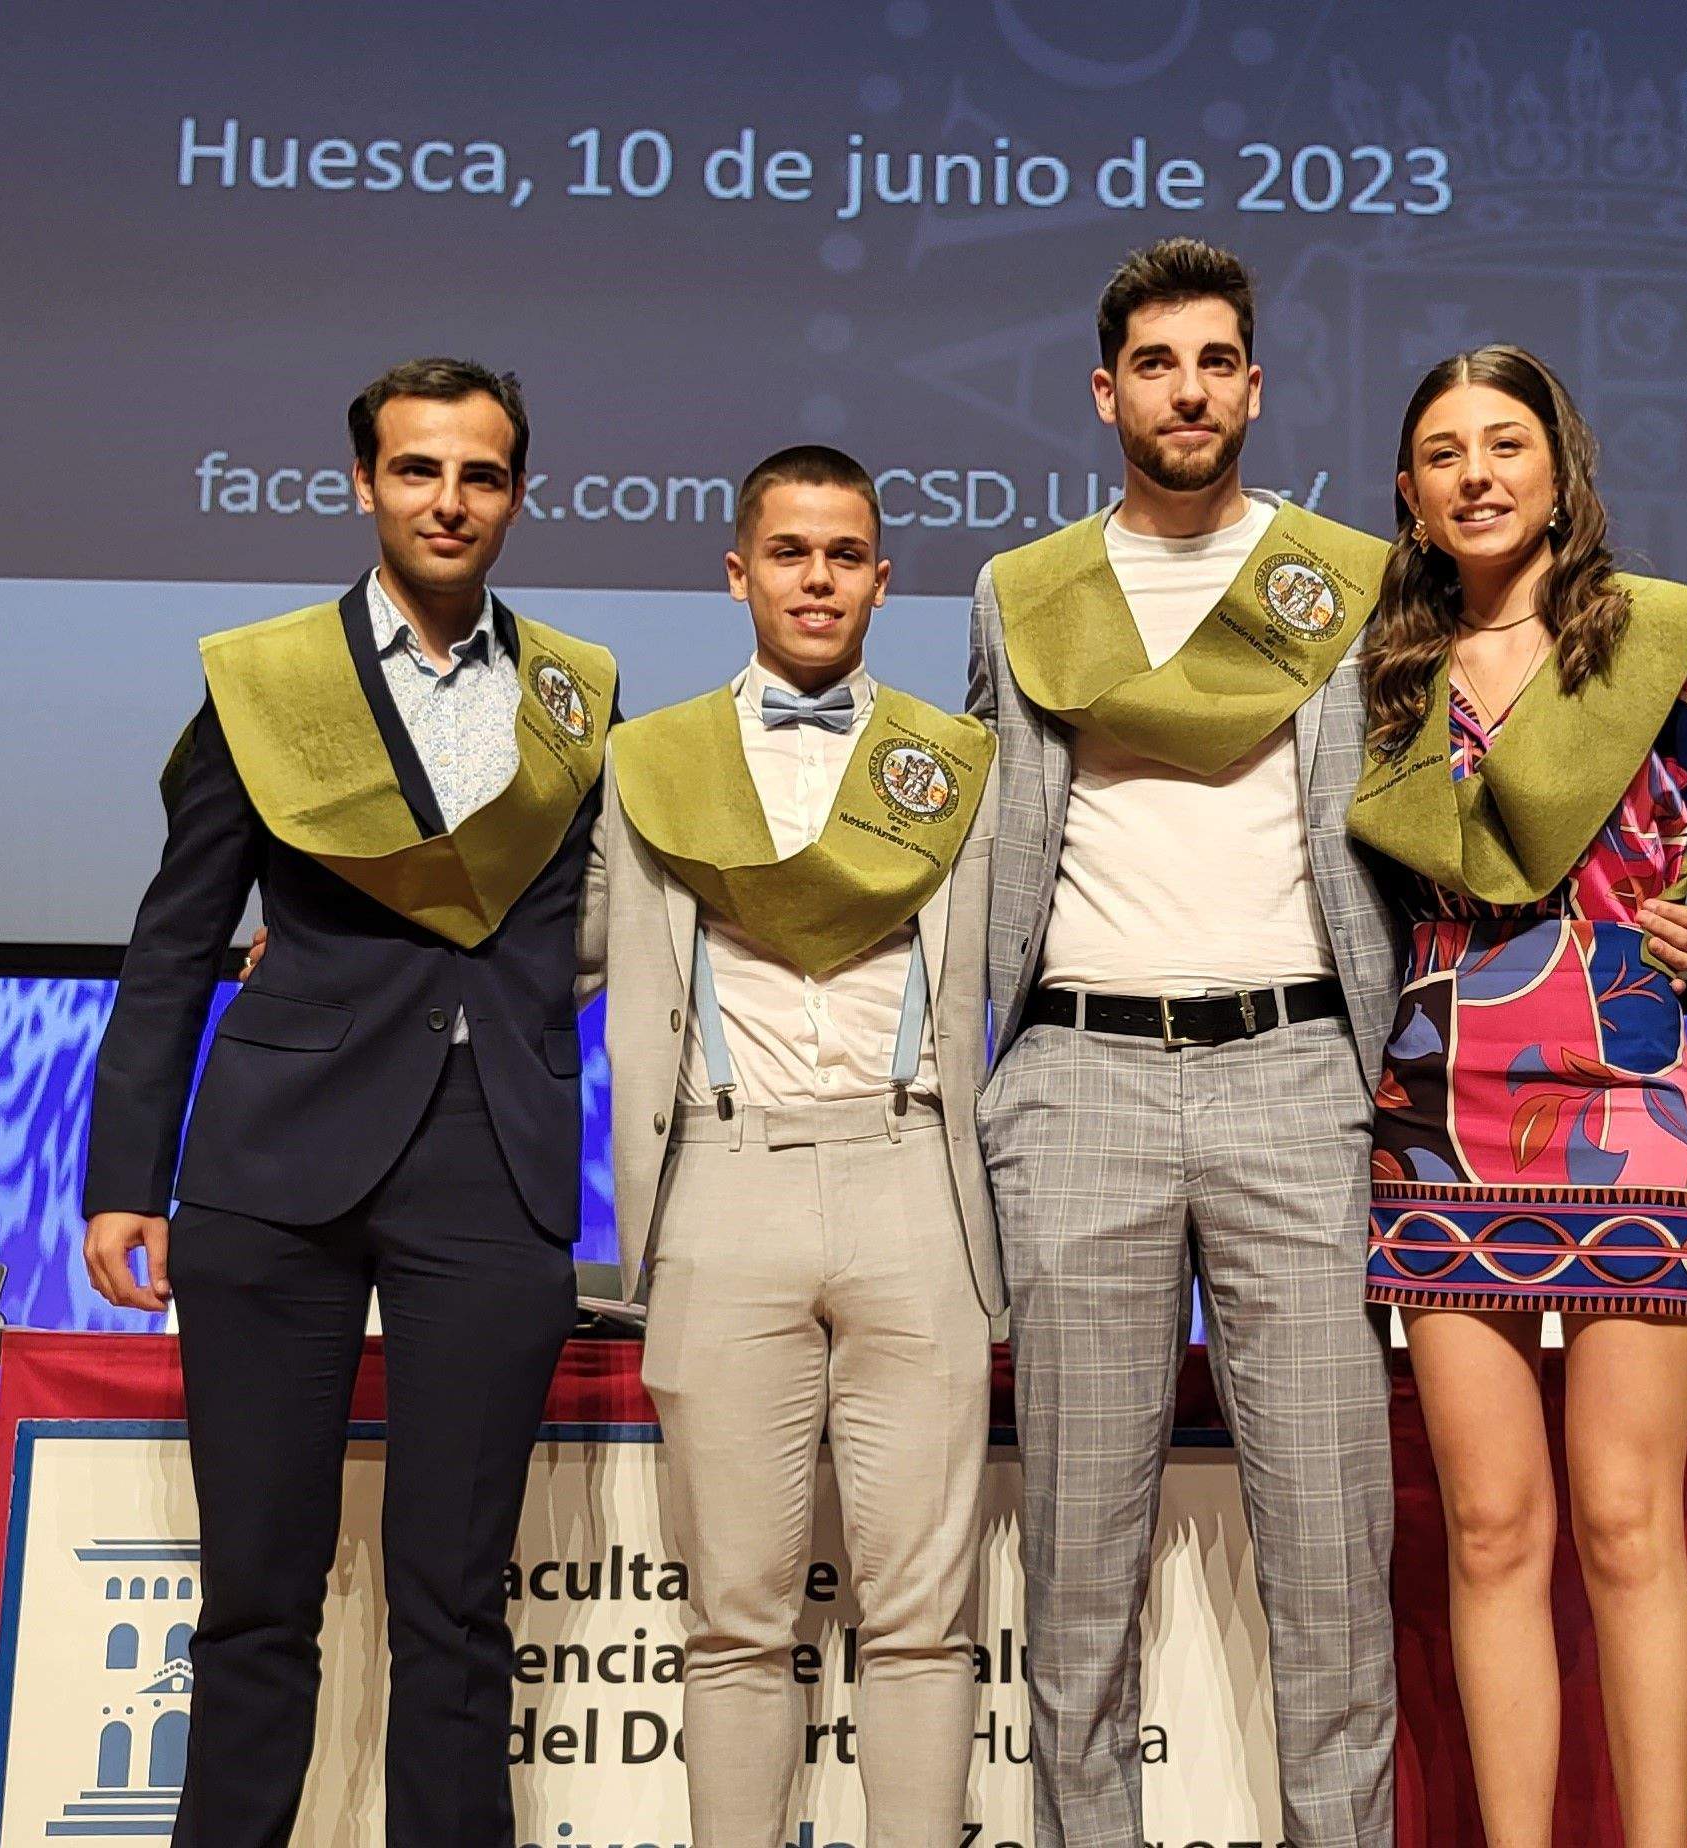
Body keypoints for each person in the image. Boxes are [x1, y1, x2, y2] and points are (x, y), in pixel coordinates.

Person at [79, 357, 614, 1847]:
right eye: (419, 470)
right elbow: (176, 940)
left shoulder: (580, 689)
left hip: (492, 1163)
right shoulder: (265, 682)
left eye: (481, 473)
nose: (450, 500)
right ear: (364, 485)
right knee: (256, 1595)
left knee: (456, 1606)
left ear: (516, 494)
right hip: (273, 1167)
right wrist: (126, 1170)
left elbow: (585, 927)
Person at [965, 235, 1415, 1848]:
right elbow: (980, 855)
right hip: (1079, 1076)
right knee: (1079, 1554)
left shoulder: (1342, 582)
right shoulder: (1023, 591)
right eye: (1155, 364)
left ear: (1255, 385)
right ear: (1105, 393)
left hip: (1300, 1077)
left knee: (1331, 1542)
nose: (1187, 389)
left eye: (1216, 360)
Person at [1347, 345, 1687, 1847]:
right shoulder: (1374, 671)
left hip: (1625, 1092)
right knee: (1490, 1529)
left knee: (1625, 1525)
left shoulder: (1669, 646)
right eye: (1442, 453)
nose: (1476, 474)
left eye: (1504, 444)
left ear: (1560, 471)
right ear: (1410, 497)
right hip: (1431, 1106)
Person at [585, 445, 999, 1848]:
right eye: (788, 552)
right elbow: (545, 936)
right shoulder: (651, 764)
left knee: (924, 1621)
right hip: (723, 1183)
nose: (815, 578)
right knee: (732, 1619)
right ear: (737, 572)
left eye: (842, 556)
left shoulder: (955, 766)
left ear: (884, 580)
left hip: (915, 1181)